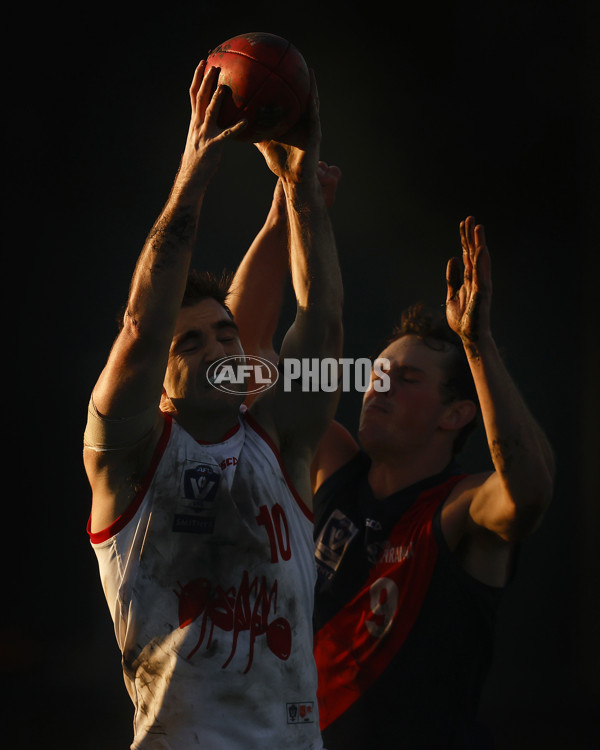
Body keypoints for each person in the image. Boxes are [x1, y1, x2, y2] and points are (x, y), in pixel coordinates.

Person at [82, 60, 343, 750]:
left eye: (226, 332)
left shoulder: (281, 441)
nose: (218, 346)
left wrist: (302, 188)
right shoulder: (131, 458)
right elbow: (142, 327)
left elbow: (320, 321)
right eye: (190, 342)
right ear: (160, 382)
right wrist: (196, 168)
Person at [227, 215, 555, 747]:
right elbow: (239, 360)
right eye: (377, 374)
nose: (379, 388)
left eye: (406, 380)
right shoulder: (332, 462)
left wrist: (477, 345)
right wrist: (288, 207)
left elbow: (530, 493)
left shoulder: (459, 509)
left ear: (454, 415)